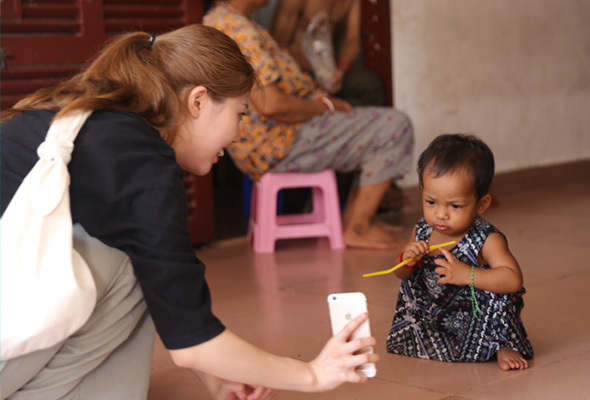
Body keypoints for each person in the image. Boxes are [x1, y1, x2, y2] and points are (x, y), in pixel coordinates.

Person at [0, 24, 380, 400]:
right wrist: (312, 374)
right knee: (128, 263)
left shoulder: (95, 123)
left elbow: (166, 287)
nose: (238, 134)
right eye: (241, 113)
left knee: (136, 256)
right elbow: (191, 343)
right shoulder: (144, 167)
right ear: (198, 102)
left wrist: (216, 375)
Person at [204, 0, 414, 250]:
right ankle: (359, 225)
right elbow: (271, 105)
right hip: (279, 140)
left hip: (275, 135)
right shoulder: (236, 29)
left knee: (367, 92)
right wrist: (326, 105)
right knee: (395, 124)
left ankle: (356, 217)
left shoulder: (225, 21)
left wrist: (332, 77)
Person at [386, 134, 534, 371]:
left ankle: (501, 345)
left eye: (455, 206)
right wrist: (406, 259)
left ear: (481, 204)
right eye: (431, 202)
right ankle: (428, 341)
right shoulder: (422, 229)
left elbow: (513, 279)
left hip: (479, 319)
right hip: (436, 314)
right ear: (422, 191)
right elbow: (401, 274)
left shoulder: (487, 240)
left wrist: (468, 275)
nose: (441, 214)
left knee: (498, 296)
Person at [269, 0, 385, 106]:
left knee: (370, 84)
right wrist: (309, 68)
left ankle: (344, 120)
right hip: (297, 68)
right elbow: (278, 46)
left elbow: (353, 38)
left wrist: (341, 70)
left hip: (328, 71)